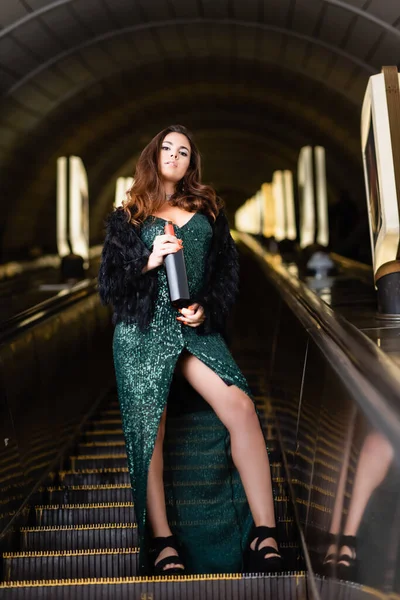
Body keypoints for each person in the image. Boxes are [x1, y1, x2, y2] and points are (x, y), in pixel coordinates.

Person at [98, 124, 282, 576]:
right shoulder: (128, 215)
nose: (175, 155)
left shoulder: (208, 210)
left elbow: (225, 277)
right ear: (153, 154)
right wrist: (148, 260)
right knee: (150, 431)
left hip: (192, 330)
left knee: (239, 405)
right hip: (141, 334)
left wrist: (206, 310)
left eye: (184, 151)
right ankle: (163, 542)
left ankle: (265, 532)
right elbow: (109, 285)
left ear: (191, 162)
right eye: (167, 147)